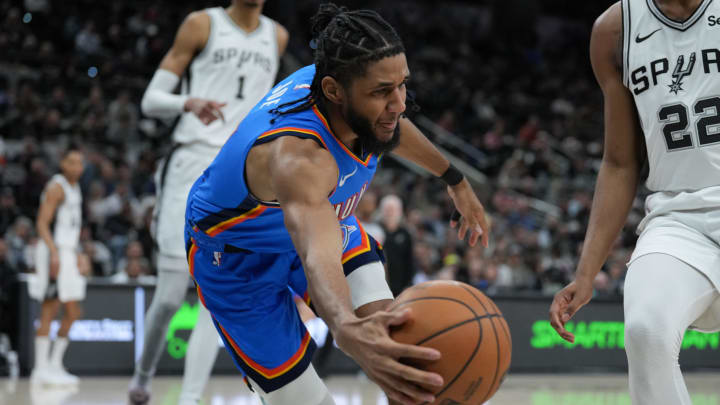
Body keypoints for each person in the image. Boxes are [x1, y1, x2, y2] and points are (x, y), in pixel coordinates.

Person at [185, 4, 490, 405]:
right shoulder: (299, 157)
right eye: (382, 91)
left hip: (321, 224)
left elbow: (394, 127)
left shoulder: (352, 90)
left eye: (402, 85)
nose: (398, 103)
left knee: (400, 347)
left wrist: (455, 179)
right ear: (333, 91)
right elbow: (315, 253)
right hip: (238, 259)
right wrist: (343, 325)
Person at [549, 0, 720, 403]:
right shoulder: (614, 30)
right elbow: (620, 162)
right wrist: (587, 272)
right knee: (646, 331)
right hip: (678, 219)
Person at [129, 0, 289, 404]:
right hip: (191, 160)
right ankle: (142, 376)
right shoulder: (201, 24)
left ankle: (189, 399)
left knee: (211, 296)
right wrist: (188, 102)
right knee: (168, 297)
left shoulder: (278, 35)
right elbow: (150, 100)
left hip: (240, 172)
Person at [28, 144, 87, 386]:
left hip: (68, 252)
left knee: (73, 311)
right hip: (53, 252)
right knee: (49, 308)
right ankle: (40, 369)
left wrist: (78, 254)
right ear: (63, 164)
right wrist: (53, 254)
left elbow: (71, 227)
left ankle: (54, 365)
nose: (77, 167)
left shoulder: (76, 188)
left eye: (80, 163)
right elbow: (42, 223)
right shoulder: (56, 187)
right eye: (72, 162)